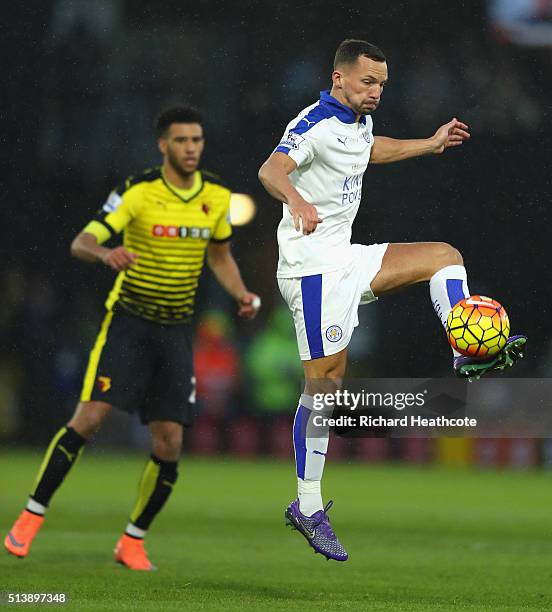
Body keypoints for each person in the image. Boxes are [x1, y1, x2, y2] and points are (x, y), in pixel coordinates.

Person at [258, 39, 526, 562]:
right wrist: (296, 199)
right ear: (338, 78)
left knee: (444, 256)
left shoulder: (356, 123)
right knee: (325, 387)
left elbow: (370, 149)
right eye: (367, 82)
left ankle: (466, 347)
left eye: (382, 84)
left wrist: (429, 144)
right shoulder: (312, 122)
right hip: (311, 271)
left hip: (345, 256)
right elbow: (271, 170)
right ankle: (307, 505)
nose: (376, 92)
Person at [5, 105, 260, 570]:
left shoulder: (218, 195)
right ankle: (29, 517)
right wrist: (106, 254)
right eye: (182, 141)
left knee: (169, 443)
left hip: (176, 331)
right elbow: (81, 241)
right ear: (163, 145)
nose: (191, 149)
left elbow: (219, 256)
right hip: (129, 323)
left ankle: (133, 541)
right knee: (90, 418)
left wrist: (241, 293)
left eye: (197, 140)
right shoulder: (137, 191)